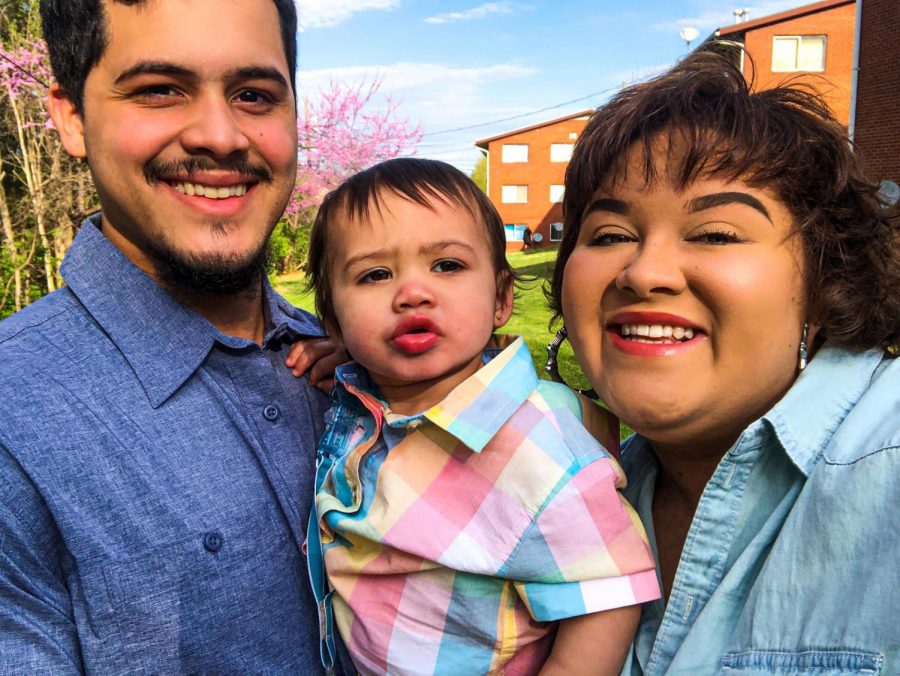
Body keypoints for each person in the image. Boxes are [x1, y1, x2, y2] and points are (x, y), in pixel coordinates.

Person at [0, 0, 345, 671]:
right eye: (160, 90)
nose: (220, 135)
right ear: (70, 117)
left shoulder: (356, 369)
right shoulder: (13, 418)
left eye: (254, 94)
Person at [547, 47, 900, 673]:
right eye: (609, 236)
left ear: (824, 284)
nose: (644, 272)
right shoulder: (565, 491)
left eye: (715, 234)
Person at [303, 157, 661, 675]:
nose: (412, 293)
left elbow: (609, 590)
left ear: (499, 299)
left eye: (447, 266)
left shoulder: (539, 450)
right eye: (375, 274)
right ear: (333, 320)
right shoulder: (365, 401)